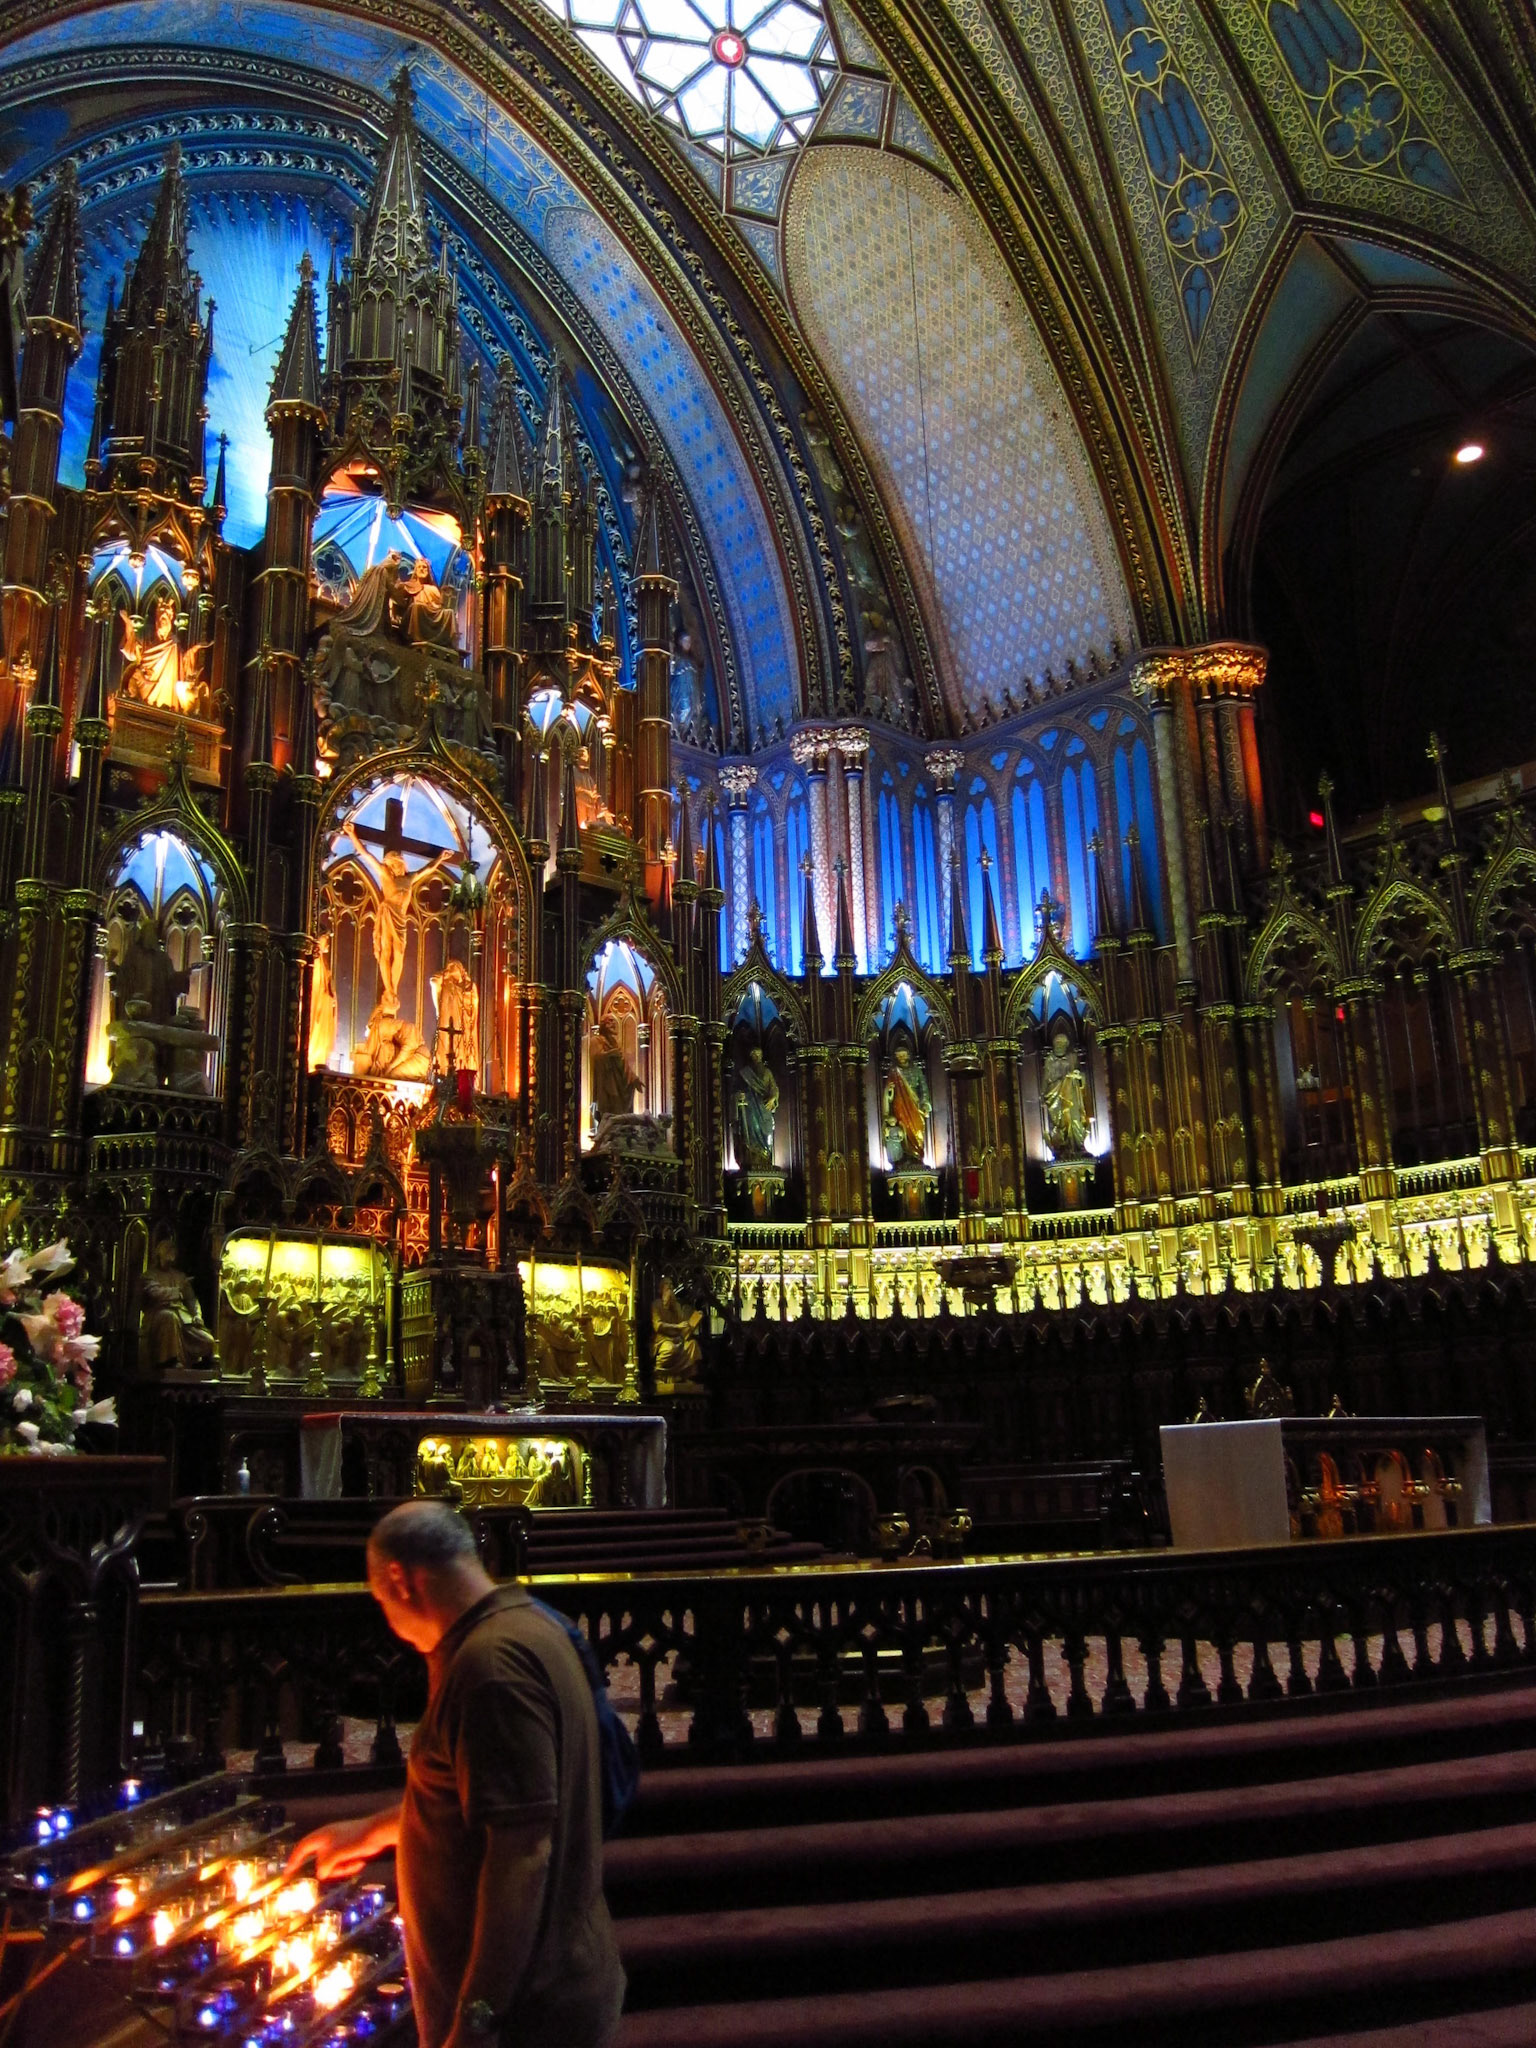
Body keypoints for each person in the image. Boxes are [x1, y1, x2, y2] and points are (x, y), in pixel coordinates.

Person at [286, 1499, 625, 2048]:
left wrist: (477, 2018)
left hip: (527, 2018)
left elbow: (522, 1853)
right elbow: (483, 1800)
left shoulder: (489, 1669)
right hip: (550, 1991)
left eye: (380, 1599)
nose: (386, 1618)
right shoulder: (529, 1624)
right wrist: (375, 1830)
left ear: (401, 1581)